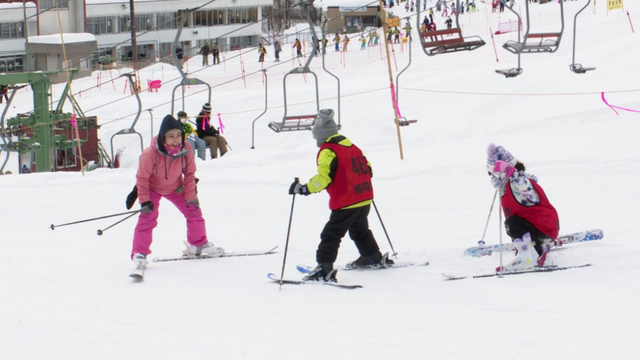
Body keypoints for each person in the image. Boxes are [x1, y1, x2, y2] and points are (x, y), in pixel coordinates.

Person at [288, 109, 393, 283]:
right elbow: (369, 169)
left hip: (346, 200)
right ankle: (372, 256)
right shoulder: (352, 146)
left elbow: (323, 178)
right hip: (364, 196)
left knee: (331, 234)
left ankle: (324, 268)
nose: (317, 142)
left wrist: (304, 189)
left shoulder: (328, 150)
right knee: (359, 229)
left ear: (322, 135)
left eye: (317, 138)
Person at [130, 114, 223, 268]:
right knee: (148, 218)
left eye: (179, 135)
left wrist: (191, 195)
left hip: (175, 187)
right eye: (171, 136)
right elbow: (142, 179)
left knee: (193, 210)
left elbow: (189, 174)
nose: (175, 139)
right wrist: (145, 200)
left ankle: (198, 244)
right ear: (163, 137)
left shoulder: (186, 149)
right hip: (153, 188)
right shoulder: (150, 154)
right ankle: (140, 252)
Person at [486, 143, 560, 271]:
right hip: (544, 228)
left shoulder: (519, 183)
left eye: (492, 174)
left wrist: (507, 170)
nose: (492, 177)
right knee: (514, 222)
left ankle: (527, 258)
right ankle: (538, 250)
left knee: (512, 223)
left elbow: (521, 183)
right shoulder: (510, 185)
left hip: (542, 228)